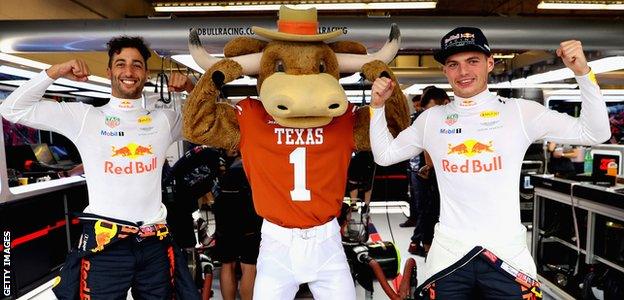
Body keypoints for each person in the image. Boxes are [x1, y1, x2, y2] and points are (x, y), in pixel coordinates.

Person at [370, 27, 610, 298]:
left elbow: (596, 133)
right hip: (449, 255)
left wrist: (583, 74)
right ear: (446, 71)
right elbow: (384, 155)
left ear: (490, 63)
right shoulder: (431, 119)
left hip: (506, 255)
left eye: (472, 61)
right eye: (453, 64)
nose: (463, 72)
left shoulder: (519, 111)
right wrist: (377, 107)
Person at [0, 36, 200, 299]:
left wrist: (192, 88)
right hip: (105, 245)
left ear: (145, 73)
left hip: (154, 243)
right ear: (109, 71)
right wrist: (56, 71)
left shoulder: (164, 119)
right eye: (121, 64)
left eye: (137, 65)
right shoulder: (85, 117)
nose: (129, 71)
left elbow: (213, 124)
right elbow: (12, 109)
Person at [212, 149, 262, 300]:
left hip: (225, 222)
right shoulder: (253, 167)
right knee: (249, 266)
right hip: (250, 221)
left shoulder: (225, 171)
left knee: (227, 264)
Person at [407, 87, 450, 257]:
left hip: (457, 178)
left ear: (446, 103)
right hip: (435, 176)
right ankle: (427, 250)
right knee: (428, 210)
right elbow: (426, 143)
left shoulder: (461, 121)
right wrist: (430, 166)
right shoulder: (428, 122)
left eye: (431, 111)